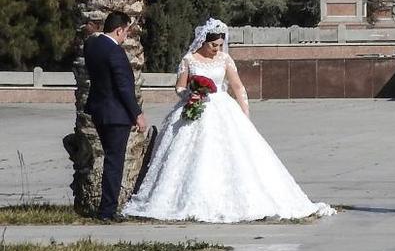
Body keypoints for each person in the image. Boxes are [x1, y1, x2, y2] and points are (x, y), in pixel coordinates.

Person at [124, 18, 332, 222]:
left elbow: (238, 87)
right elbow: (179, 87)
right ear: (203, 41)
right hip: (195, 106)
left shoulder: (224, 60)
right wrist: (191, 92)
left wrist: (245, 114)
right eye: (213, 45)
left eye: (220, 45)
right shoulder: (189, 60)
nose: (217, 49)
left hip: (223, 109)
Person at [83, 12, 148, 221]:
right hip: (116, 115)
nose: (126, 36)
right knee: (114, 161)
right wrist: (137, 114)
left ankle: (107, 207)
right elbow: (123, 87)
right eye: (126, 31)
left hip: (99, 110)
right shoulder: (115, 52)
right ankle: (107, 210)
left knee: (110, 158)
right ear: (119, 30)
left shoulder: (92, 46)